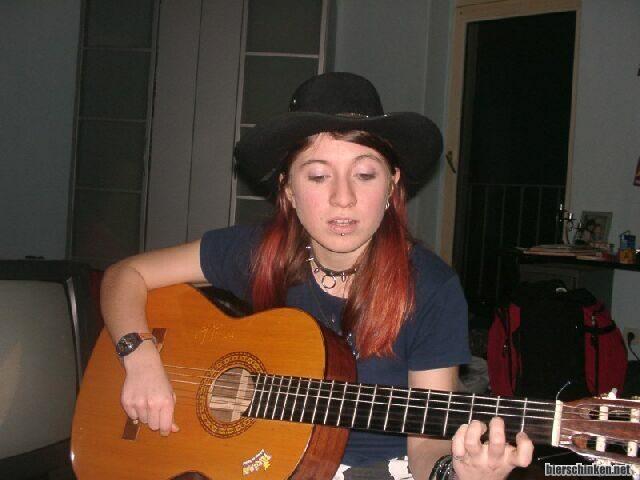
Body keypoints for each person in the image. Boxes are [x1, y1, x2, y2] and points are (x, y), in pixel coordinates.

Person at [101, 72, 533, 480]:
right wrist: (139, 358)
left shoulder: (431, 288)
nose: (343, 198)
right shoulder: (255, 253)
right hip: (257, 461)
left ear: (391, 185)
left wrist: (455, 471)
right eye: (319, 175)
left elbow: (427, 443)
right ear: (289, 189)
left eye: (365, 174)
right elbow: (125, 274)